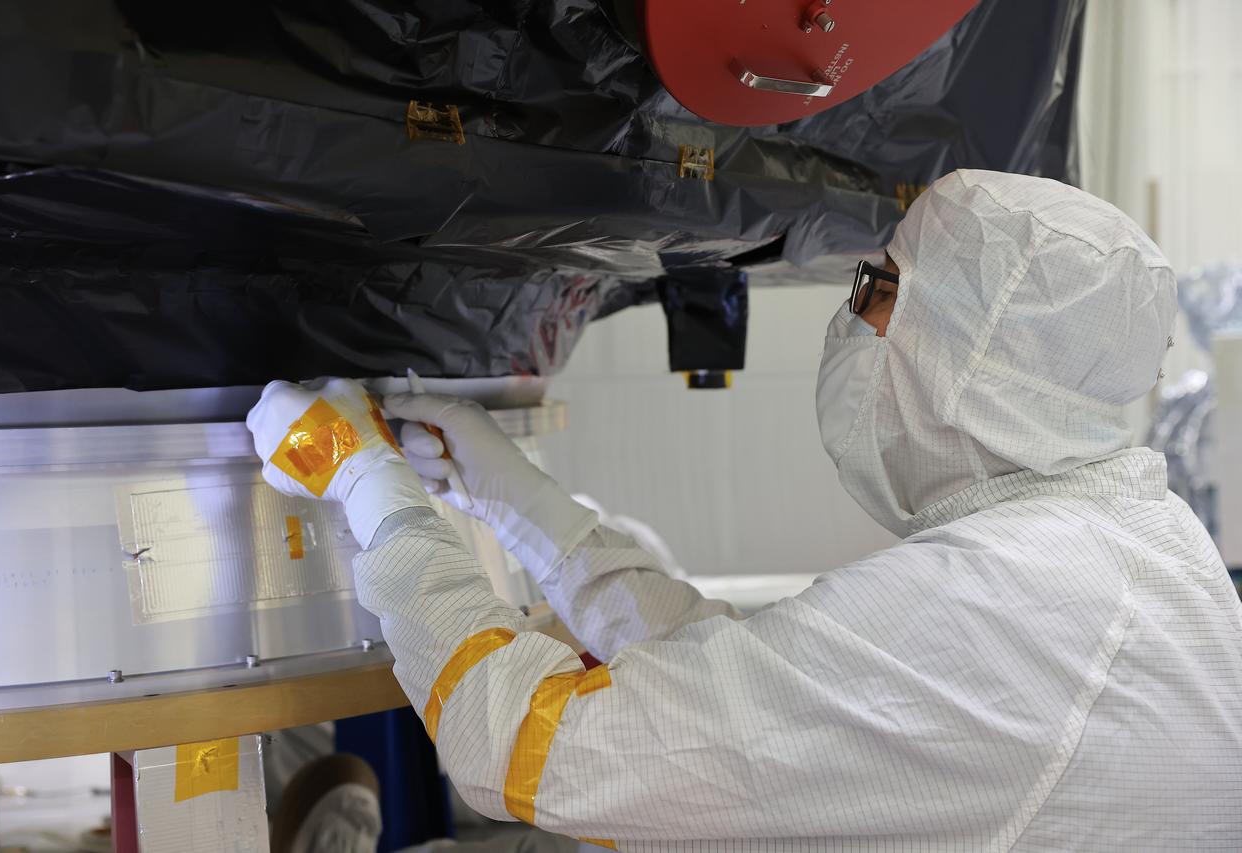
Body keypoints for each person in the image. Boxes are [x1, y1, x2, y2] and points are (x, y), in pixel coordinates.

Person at [247, 170, 1242, 851]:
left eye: (879, 287)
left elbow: (536, 749)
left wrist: (370, 490)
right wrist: (522, 507)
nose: (851, 311)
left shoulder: (998, 599)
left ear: (966, 349)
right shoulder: (1116, 548)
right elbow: (763, 693)